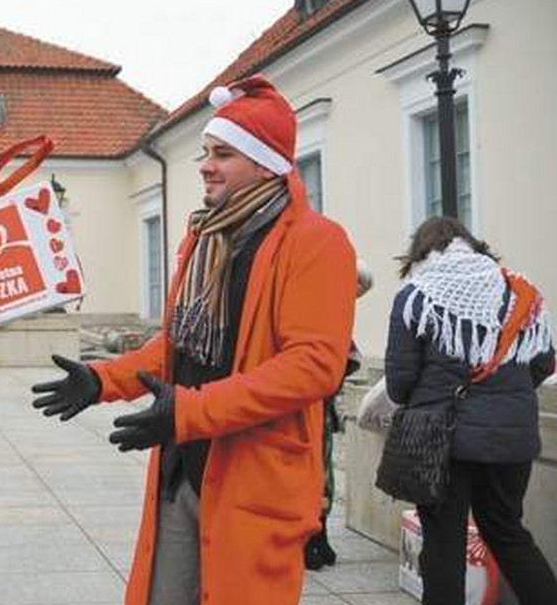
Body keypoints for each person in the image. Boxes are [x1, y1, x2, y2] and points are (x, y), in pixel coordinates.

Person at [31, 74, 356, 605]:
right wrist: (101, 380)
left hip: (255, 477)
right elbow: (177, 346)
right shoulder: (205, 237)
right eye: (206, 151)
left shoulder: (318, 243)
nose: (205, 165)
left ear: (265, 161)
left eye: (223, 153)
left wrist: (188, 412)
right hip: (184, 468)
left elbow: (314, 365)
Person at [384, 216, 556, 605]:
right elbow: (544, 363)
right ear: (474, 245)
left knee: (444, 545)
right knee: (508, 532)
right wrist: (504, 401)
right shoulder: (522, 292)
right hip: (512, 439)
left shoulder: (416, 296)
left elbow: (399, 382)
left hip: (443, 442)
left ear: (420, 252)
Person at [306, 260, 374, 571]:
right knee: (310, 472)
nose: (355, 297)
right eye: (355, 289)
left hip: (322, 404)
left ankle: (319, 536)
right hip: (305, 404)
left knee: (323, 473)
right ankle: (310, 538)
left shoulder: (336, 311)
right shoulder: (316, 305)